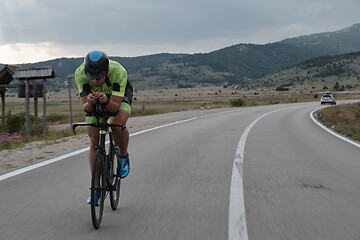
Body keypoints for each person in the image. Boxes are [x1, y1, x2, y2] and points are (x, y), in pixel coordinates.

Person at [75, 50, 133, 205]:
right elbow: (86, 109)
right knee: (93, 139)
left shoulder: (118, 71)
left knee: (116, 124)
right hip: (98, 100)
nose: (95, 81)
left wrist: (106, 102)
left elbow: (114, 109)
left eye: (99, 76)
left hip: (117, 98)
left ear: (106, 71)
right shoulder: (80, 74)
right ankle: (95, 190)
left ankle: (123, 155)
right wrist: (91, 102)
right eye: (91, 77)